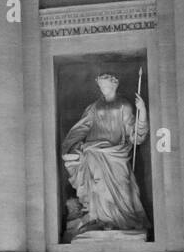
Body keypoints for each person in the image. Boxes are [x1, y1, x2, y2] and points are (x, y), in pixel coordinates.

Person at [61, 74, 149, 235]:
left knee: (123, 186)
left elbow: (135, 135)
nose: (104, 90)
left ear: (114, 86)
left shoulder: (124, 105)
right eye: (101, 87)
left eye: (106, 87)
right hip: (93, 151)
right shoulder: (94, 107)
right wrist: (70, 146)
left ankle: (124, 221)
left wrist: (142, 111)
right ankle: (100, 220)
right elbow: (82, 128)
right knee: (97, 186)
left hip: (117, 153)